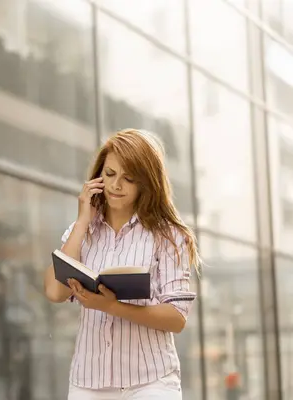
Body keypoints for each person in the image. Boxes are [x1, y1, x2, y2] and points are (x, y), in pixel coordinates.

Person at [43, 129, 201, 399]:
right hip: (88, 383)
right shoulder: (82, 231)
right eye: (110, 174)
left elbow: (176, 318)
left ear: (146, 184)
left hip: (151, 383)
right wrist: (82, 221)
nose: (116, 185)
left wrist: (112, 307)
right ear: (98, 176)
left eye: (129, 178)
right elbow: (55, 292)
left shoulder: (170, 236)